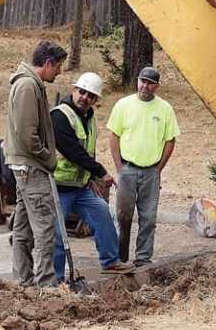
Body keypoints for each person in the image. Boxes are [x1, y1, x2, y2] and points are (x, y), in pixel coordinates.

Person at [51, 72, 136, 279]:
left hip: (80, 187)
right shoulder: (59, 116)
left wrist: (89, 178)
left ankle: (110, 261)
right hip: (59, 188)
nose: (85, 98)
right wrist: (100, 172)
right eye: (82, 92)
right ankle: (55, 279)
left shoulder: (89, 118)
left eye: (90, 96)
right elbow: (73, 152)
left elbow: (88, 151)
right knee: (58, 236)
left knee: (102, 213)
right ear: (74, 90)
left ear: (95, 100)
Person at [3, 40, 66, 287]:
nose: (59, 72)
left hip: (24, 167)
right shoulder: (28, 85)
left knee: (23, 229)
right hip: (32, 167)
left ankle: (24, 281)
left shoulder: (28, 83)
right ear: (48, 63)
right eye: (58, 66)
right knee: (43, 228)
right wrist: (47, 157)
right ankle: (46, 284)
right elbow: (27, 134)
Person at [107, 66, 180, 267]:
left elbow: (170, 141)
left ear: (156, 86)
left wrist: (158, 169)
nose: (144, 86)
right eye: (142, 81)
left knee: (148, 217)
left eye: (149, 83)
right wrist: (119, 167)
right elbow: (114, 136)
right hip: (128, 168)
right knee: (123, 216)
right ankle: (120, 258)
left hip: (151, 170)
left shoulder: (165, 109)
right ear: (137, 81)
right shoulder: (123, 105)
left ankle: (143, 258)